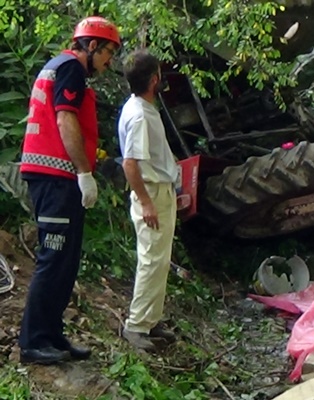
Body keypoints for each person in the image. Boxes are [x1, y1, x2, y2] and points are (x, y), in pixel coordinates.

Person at [17, 16, 120, 365]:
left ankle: (51, 335)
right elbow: (65, 118)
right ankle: (33, 342)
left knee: (65, 261)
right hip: (56, 177)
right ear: (91, 45)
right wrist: (84, 172)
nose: (109, 62)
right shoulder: (71, 69)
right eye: (108, 53)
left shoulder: (59, 67)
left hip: (56, 178)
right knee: (54, 258)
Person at [118, 50, 178, 351]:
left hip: (160, 189)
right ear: (154, 80)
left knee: (160, 260)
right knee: (151, 260)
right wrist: (146, 202)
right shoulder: (140, 114)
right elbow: (130, 163)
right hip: (151, 192)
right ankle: (136, 325)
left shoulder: (143, 107)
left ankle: (151, 320)